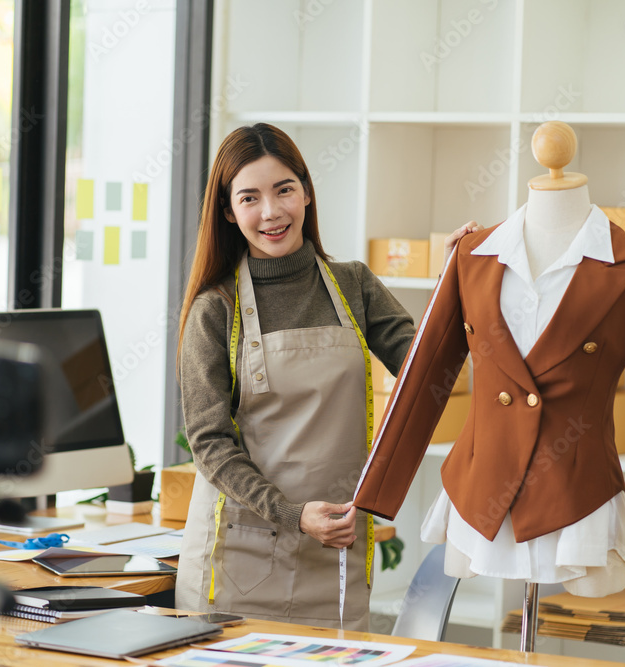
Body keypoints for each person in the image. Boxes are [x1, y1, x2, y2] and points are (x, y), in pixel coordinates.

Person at [174, 122, 479, 630]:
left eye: (284, 190)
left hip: (333, 554)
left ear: (307, 192)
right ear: (229, 212)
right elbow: (209, 444)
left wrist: (455, 285)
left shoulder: (352, 284)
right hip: (238, 564)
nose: (271, 212)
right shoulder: (216, 309)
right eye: (250, 198)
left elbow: (430, 374)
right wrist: (294, 516)